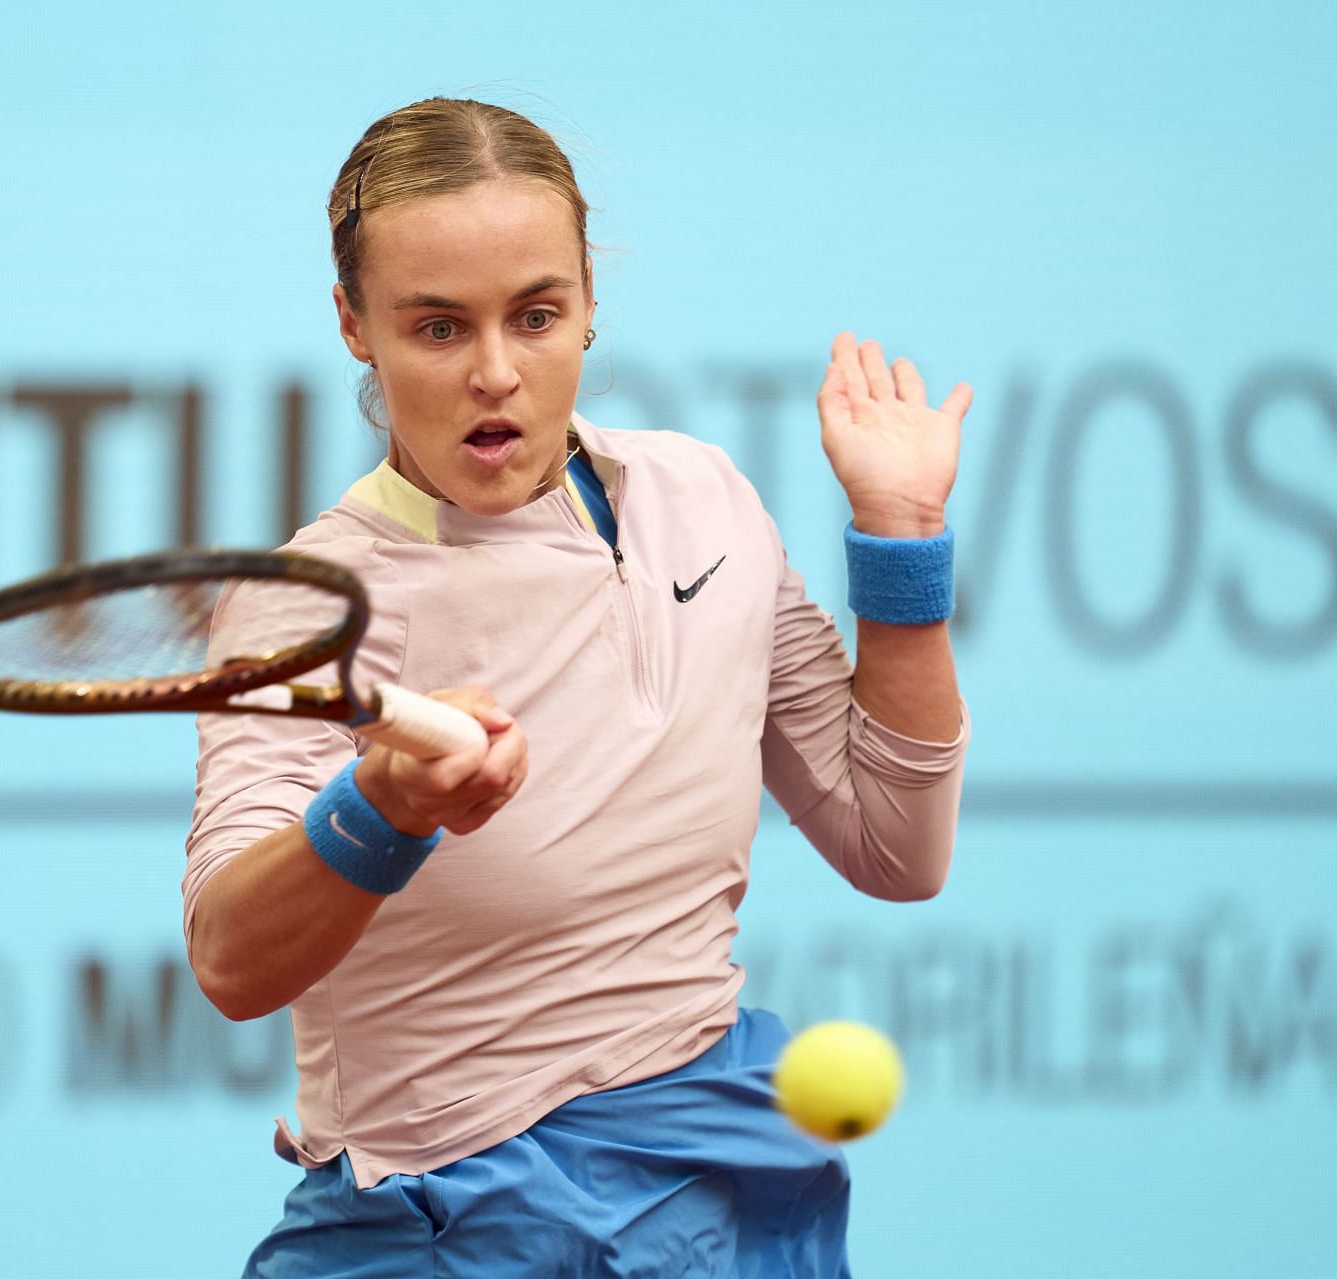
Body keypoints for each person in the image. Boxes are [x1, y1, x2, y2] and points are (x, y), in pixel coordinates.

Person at [184, 97, 971, 1278]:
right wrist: (382, 810)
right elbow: (231, 963)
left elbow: (893, 846)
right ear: (355, 324)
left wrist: (901, 543)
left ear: (590, 303)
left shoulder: (702, 497)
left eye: (536, 315)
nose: (496, 373)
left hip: (713, 1187)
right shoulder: (310, 602)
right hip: (448, 1213)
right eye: (439, 328)